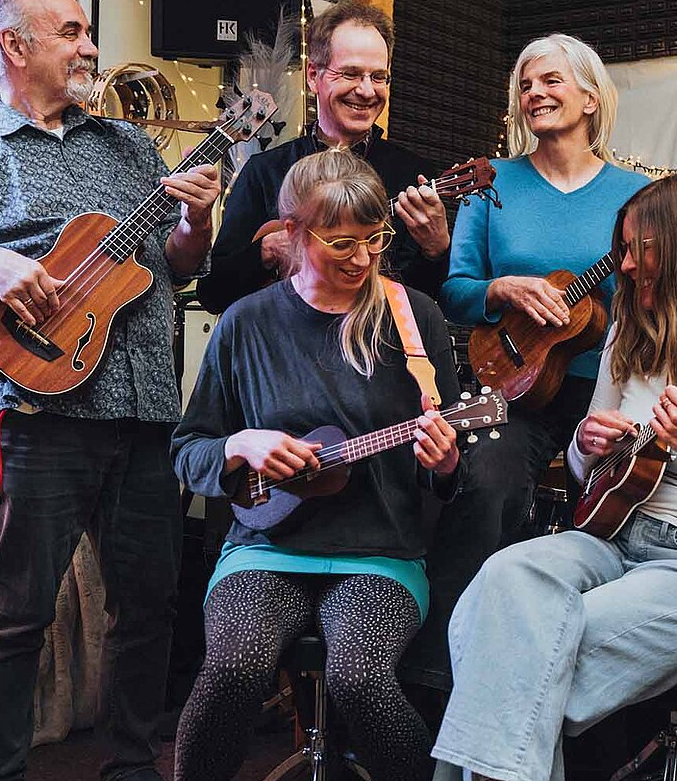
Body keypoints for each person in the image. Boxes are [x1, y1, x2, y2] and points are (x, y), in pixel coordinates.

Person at [0, 0, 220, 781]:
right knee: (18, 612)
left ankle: (130, 767)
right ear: (14, 46)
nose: (90, 48)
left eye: (87, 33)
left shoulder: (128, 148)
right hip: (35, 411)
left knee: (148, 607)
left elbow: (176, 266)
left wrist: (195, 220)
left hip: (144, 409)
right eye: (72, 32)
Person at [432, 175, 677, 781]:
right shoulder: (626, 339)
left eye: (638, 249)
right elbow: (590, 472)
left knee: (526, 657)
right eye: (623, 249)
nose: (623, 266)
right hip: (616, 540)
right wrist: (584, 443)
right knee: (494, 585)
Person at [171, 148, 464, 781]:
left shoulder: (414, 318)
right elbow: (189, 449)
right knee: (232, 668)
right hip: (264, 549)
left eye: (375, 239)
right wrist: (238, 445)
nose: (362, 259)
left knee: (361, 677)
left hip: (379, 552)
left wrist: (443, 462)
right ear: (293, 234)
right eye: (341, 243)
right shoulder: (246, 323)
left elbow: (446, 472)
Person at [430, 34, 650, 673]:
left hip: (606, 388)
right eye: (525, 84)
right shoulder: (492, 184)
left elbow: (657, 292)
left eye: (551, 81)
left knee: (625, 506)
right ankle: (451, 664)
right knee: (485, 485)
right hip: (511, 386)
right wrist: (502, 287)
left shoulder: (635, 195)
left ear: (591, 97)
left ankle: (585, 668)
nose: (535, 93)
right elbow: (456, 291)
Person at [197, 0, 451, 311]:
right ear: (313, 75)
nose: (367, 91)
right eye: (351, 74)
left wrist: (437, 250)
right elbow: (213, 295)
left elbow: (427, 304)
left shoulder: (414, 177)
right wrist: (267, 250)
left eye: (378, 77)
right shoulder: (264, 171)